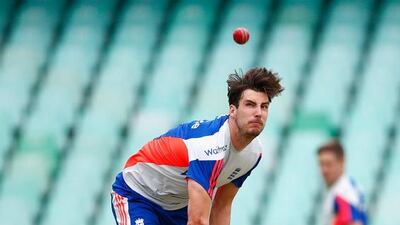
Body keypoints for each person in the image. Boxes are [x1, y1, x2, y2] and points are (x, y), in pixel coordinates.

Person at [110, 68, 284, 225]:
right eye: (250, 105)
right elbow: (198, 221)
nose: (258, 113)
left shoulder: (253, 153)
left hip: (176, 206)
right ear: (232, 110)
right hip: (138, 195)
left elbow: (221, 206)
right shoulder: (211, 147)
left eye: (264, 107)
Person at [317, 139, 368, 225]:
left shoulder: (343, 192)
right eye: (321, 164)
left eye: (329, 164)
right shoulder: (344, 187)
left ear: (342, 162)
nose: (324, 170)